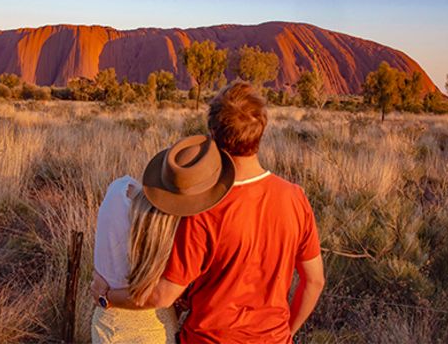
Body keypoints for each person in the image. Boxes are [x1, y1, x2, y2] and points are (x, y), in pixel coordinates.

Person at [92, 81, 325, 343]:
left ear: (213, 134)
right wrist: (287, 333)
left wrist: (108, 298)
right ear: (261, 130)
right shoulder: (295, 198)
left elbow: (165, 295)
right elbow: (314, 281)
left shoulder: (203, 210)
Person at [91, 135, 235, 343]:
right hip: (156, 327)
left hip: (106, 322)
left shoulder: (117, 189)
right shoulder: (182, 230)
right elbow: (165, 295)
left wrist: (105, 295)